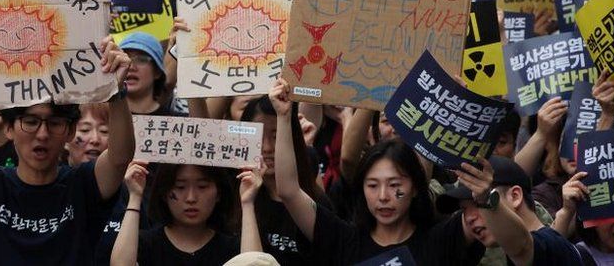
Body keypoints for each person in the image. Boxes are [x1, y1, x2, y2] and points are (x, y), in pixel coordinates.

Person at [0, 35, 134, 265]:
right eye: (30, 122)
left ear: (70, 132)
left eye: (55, 124)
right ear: (9, 128)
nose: (43, 134)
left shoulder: (84, 185)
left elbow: (119, 158)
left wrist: (117, 91)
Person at [268, 80, 484, 265]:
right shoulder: (343, 240)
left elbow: (508, 234)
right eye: (372, 185)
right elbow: (288, 190)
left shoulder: (441, 239)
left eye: (395, 185)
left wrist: (457, 104)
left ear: (416, 188)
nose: (383, 196)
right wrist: (284, 117)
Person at [110, 161, 262, 265]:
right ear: (164, 192)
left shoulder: (233, 248)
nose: (191, 198)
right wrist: (135, 196)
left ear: (218, 193)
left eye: (202, 187)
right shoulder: (145, 244)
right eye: (180, 187)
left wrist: (247, 203)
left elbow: (255, 263)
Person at [452, 155, 583, 266]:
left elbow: (523, 247)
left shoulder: (552, 246)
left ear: (515, 196)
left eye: (476, 204)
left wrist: (486, 199)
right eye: (464, 210)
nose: (469, 218)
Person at [239, 96, 323, 266]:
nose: (267, 147)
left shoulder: (315, 201)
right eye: (258, 137)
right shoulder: (237, 197)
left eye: (276, 136)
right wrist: (247, 203)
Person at [119, 32, 175, 116]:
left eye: (141, 60)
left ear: (157, 72)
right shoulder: (100, 119)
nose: (131, 67)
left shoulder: (176, 123)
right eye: (124, 59)